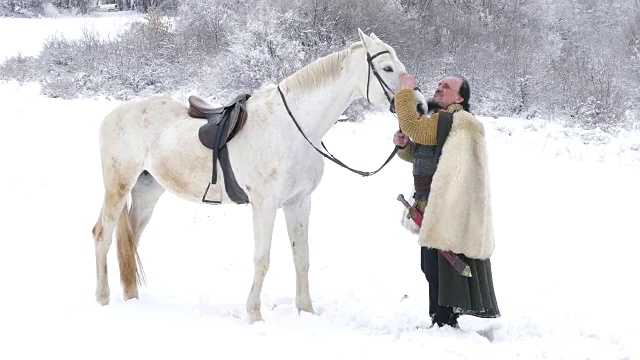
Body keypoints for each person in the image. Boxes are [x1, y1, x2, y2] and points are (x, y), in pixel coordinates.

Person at [393, 72, 500, 328]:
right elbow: (422, 154)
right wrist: (405, 146)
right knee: (430, 265)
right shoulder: (441, 120)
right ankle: (441, 319)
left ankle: (444, 320)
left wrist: (405, 92)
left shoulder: (454, 120)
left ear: (460, 97)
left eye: (447, 86)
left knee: (440, 266)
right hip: (428, 202)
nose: (439, 88)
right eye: (438, 84)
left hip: (446, 204)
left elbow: (414, 126)